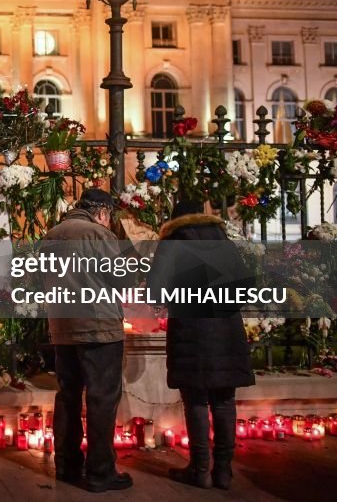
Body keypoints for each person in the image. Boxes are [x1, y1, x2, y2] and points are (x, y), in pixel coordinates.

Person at [146, 200, 255, 490]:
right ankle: (223, 471)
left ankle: (200, 469)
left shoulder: (172, 242)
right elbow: (247, 285)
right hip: (226, 331)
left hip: (191, 331)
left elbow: (155, 292)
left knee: (195, 399)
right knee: (224, 401)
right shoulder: (223, 241)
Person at [44, 188, 132, 492]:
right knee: (102, 400)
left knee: (67, 396)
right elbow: (121, 278)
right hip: (98, 327)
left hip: (63, 326)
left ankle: (66, 465)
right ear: (103, 212)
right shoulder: (98, 234)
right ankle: (100, 472)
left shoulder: (52, 234)